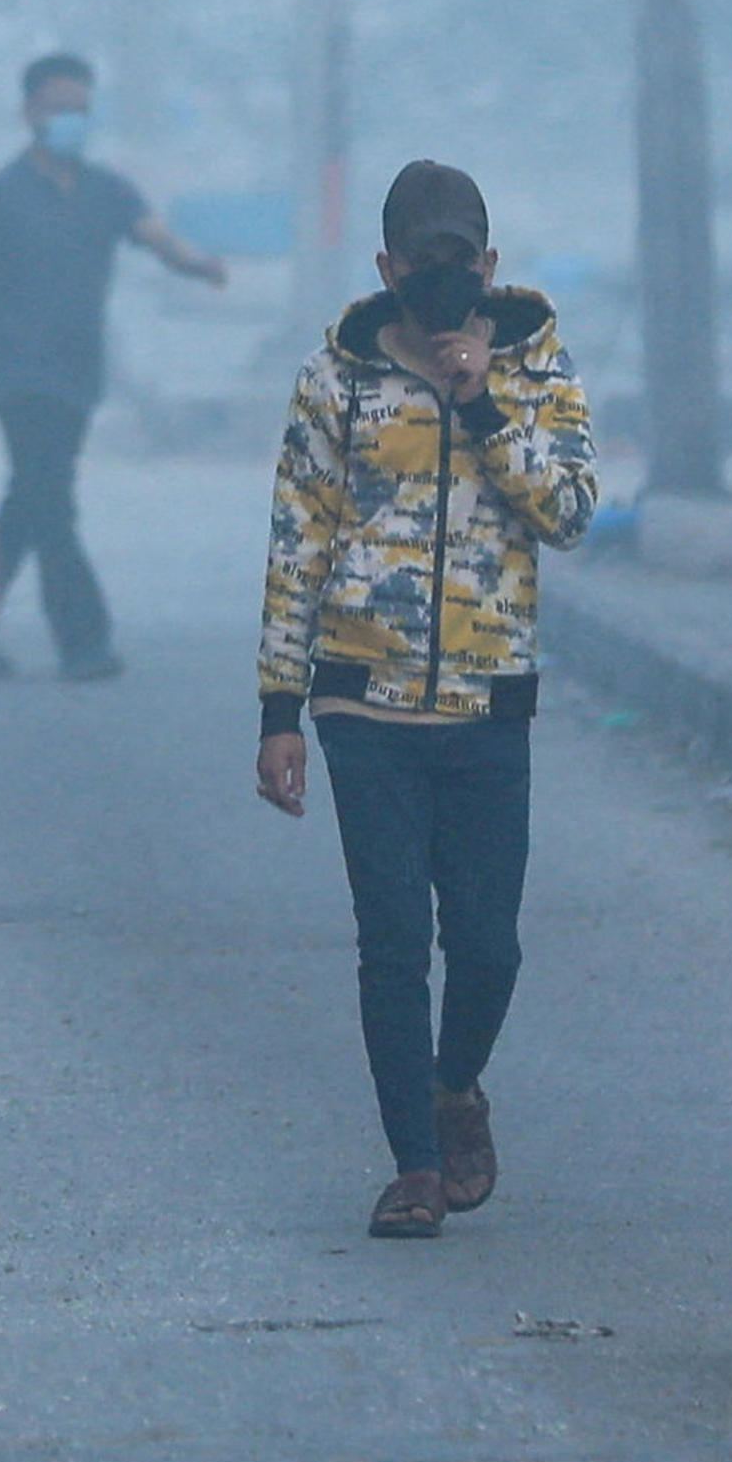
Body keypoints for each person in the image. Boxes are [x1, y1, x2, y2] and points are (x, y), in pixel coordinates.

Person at [251, 161, 598, 1242]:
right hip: (363, 704)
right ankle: (410, 1163)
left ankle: (455, 1091)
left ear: (486, 268)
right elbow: (296, 540)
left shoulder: (534, 366)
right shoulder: (335, 379)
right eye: (422, 268)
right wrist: (277, 710)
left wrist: (479, 398)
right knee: (393, 939)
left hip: (488, 701)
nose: (442, 285)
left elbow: (570, 510)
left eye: (461, 267)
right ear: (388, 270)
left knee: (486, 945)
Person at [0, 51, 228, 680]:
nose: (70, 121)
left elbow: (159, 238)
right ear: (29, 114)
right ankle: (84, 639)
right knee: (52, 500)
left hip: (78, 377)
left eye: (80, 110)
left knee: (31, 496)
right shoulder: (0, 199)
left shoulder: (106, 191)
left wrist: (201, 266)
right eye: (58, 109)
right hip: (19, 376)